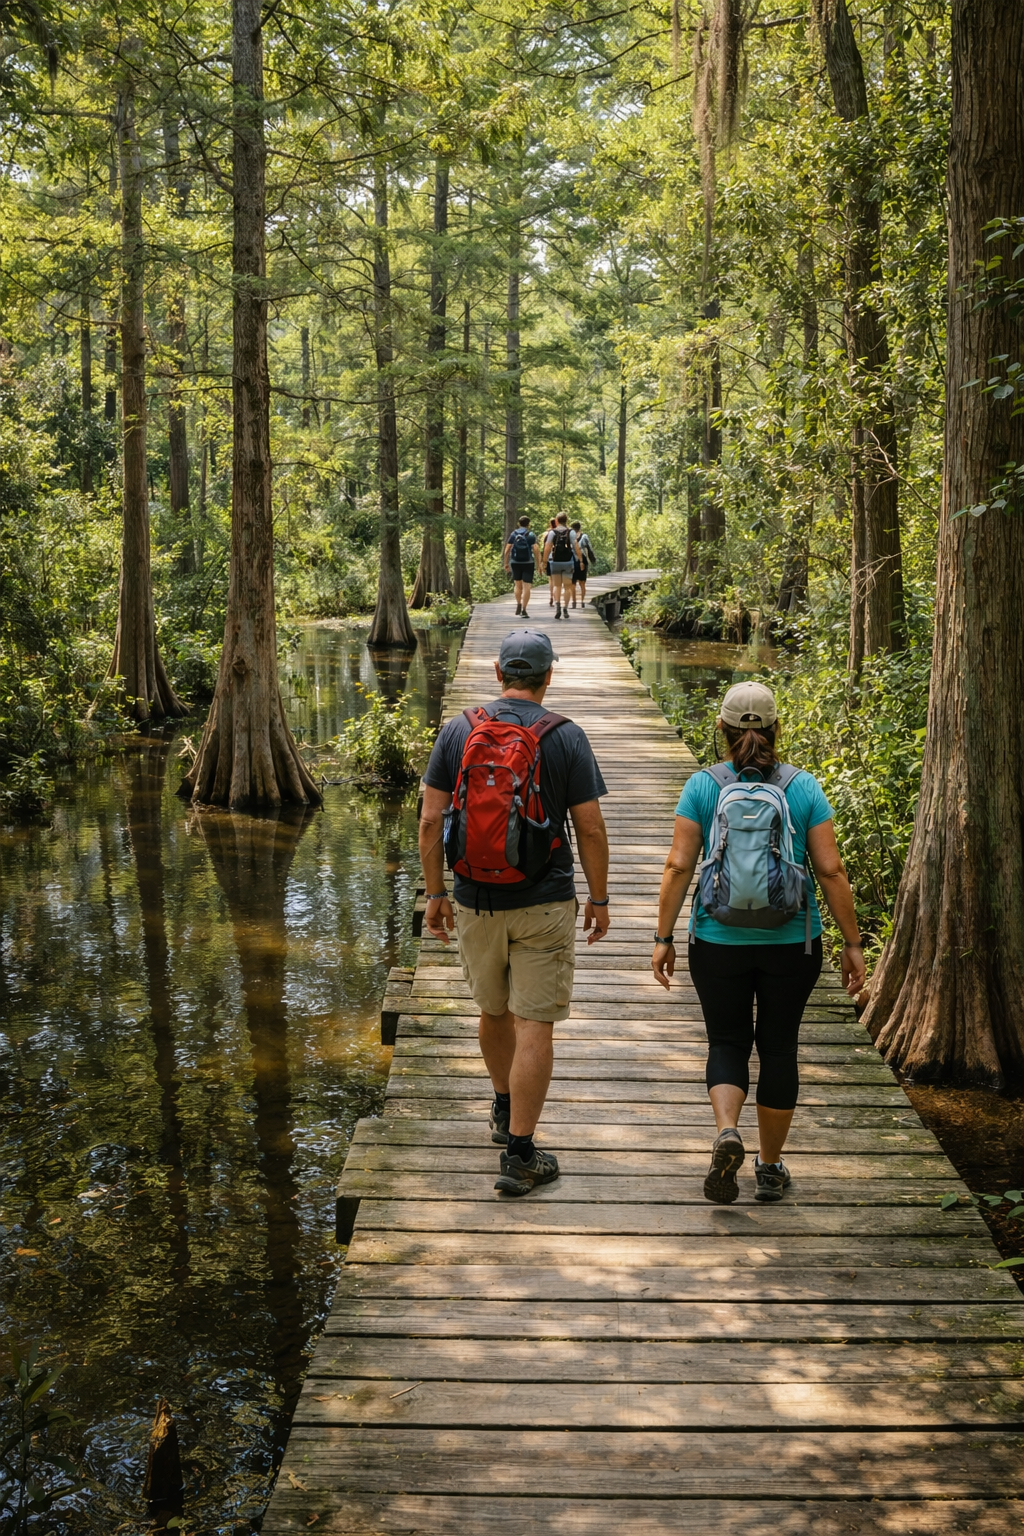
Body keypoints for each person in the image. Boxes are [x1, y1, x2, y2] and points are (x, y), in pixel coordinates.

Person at [651, 680, 865, 1205]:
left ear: (720, 729)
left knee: (726, 1042)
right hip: (792, 940)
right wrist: (853, 943)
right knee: (777, 1047)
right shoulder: (803, 787)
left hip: (717, 938)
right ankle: (769, 1169)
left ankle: (727, 1131)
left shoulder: (703, 786)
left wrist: (663, 936)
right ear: (776, 729)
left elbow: (679, 865)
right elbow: (831, 871)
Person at [419, 629, 611, 1195]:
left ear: (498, 673)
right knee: (536, 1025)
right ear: (549, 676)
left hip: (474, 898)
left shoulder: (458, 730)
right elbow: (592, 827)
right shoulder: (565, 736)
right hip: (544, 900)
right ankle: (522, 1153)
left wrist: (436, 894)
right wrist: (599, 899)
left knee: (493, 1010)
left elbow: (431, 822)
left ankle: (504, 1109)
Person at [504, 515, 542, 616]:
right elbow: (536, 550)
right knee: (527, 586)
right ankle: (524, 609)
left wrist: (506, 563)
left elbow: (507, 550)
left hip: (515, 562)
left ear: (518, 523)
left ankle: (518, 604)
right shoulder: (530, 534)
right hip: (528, 562)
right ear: (528, 524)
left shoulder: (514, 534)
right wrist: (539, 564)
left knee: (517, 585)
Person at [542, 514, 578, 621]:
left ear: (557, 521)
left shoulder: (552, 532)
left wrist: (544, 562)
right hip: (568, 562)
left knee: (556, 586)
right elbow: (576, 546)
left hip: (555, 562)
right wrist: (580, 559)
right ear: (567, 520)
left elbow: (547, 547)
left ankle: (557, 606)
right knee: (567, 587)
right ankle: (565, 609)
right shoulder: (570, 532)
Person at [570, 521, 595, 608]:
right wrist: (593, 560)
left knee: (572, 583)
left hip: (572, 561)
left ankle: (574, 602)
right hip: (583, 561)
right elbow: (590, 548)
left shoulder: (570, 537)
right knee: (582, 583)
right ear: (579, 528)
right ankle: (582, 601)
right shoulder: (584, 536)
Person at [546, 518, 558, 605]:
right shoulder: (562, 533)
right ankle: (557, 598)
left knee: (550, 580)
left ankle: (551, 597)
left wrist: (543, 560)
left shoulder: (547, 534)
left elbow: (546, 547)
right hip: (559, 559)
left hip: (550, 558)